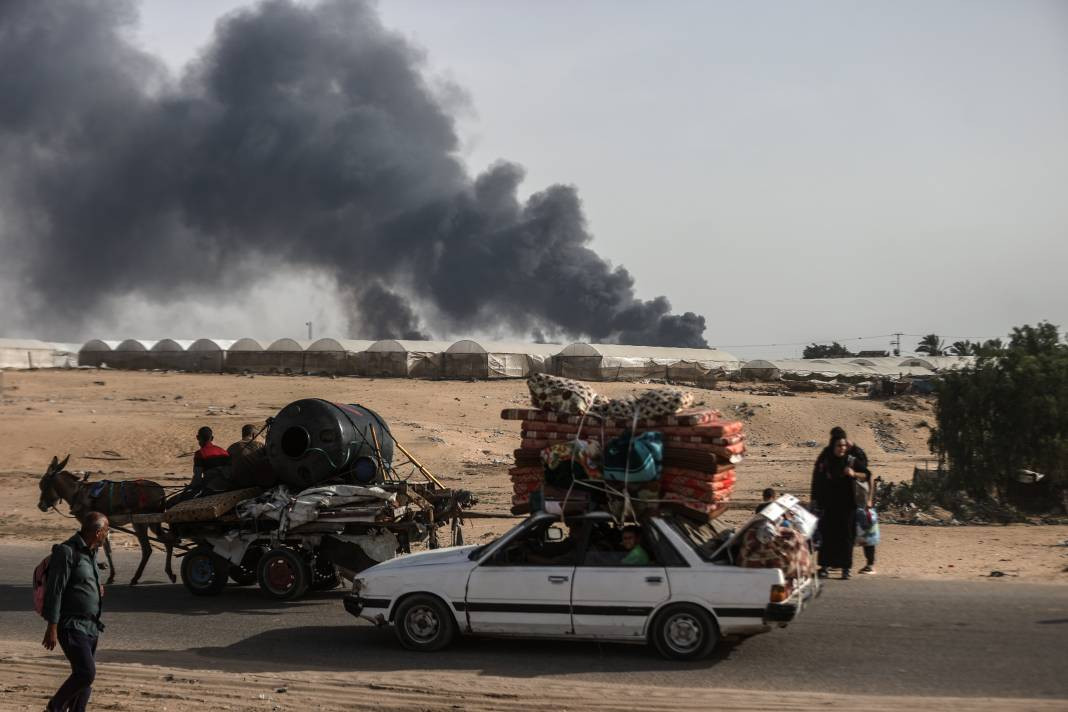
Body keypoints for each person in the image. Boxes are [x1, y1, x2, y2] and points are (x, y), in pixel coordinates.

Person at [43, 511, 109, 712]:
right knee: (86, 673)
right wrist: (52, 627)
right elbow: (55, 591)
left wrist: (96, 587)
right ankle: (53, 708)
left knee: (83, 679)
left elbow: (84, 579)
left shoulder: (92, 552)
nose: (108, 534)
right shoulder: (66, 551)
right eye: (107, 530)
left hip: (91, 626)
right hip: (71, 625)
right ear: (98, 532)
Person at [811, 435, 863, 579]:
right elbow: (818, 481)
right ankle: (824, 567)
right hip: (829, 506)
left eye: (844, 446)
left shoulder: (851, 461)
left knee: (846, 538)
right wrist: (816, 500)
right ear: (833, 447)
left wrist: (854, 473)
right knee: (828, 537)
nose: (842, 448)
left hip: (848, 507)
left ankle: (846, 568)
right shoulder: (826, 462)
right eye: (838, 446)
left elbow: (867, 474)